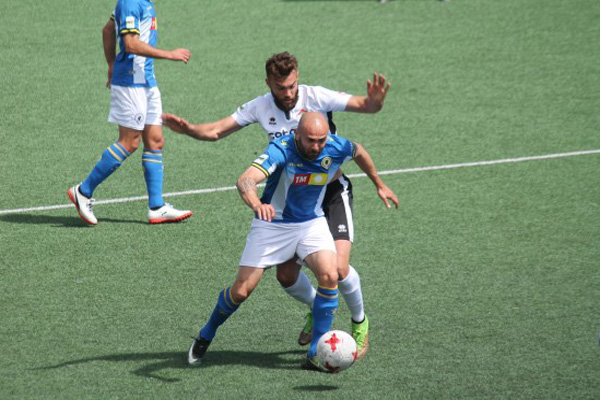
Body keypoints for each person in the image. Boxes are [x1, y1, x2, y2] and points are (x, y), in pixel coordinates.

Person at [163, 52, 394, 358]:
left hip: (330, 192)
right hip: (286, 201)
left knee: (336, 270)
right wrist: (191, 130)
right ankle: (317, 309)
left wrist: (375, 104)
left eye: (292, 86)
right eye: (281, 88)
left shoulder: (317, 97)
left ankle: (358, 323)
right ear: (269, 83)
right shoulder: (263, 111)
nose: (288, 94)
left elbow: (365, 111)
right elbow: (218, 131)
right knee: (284, 276)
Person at [188, 112, 397, 371]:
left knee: (330, 274)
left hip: (311, 223)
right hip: (272, 224)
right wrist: (256, 204)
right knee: (242, 291)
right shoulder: (281, 149)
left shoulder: (334, 146)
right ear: (297, 134)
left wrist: (379, 183)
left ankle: (313, 353)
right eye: (311, 140)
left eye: (321, 140)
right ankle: (206, 334)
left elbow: (359, 151)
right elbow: (245, 180)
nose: (317, 146)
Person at [68, 0, 193, 225]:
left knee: (155, 141)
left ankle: (157, 207)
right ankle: (83, 191)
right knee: (129, 142)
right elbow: (131, 45)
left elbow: (107, 29)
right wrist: (170, 54)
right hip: (130, 81)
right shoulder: (131, 2)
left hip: (146, 79)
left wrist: (110, 63)